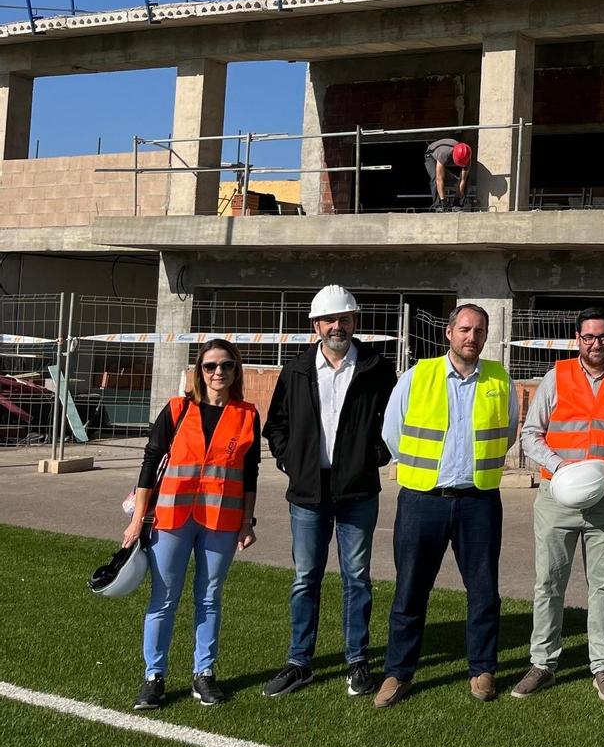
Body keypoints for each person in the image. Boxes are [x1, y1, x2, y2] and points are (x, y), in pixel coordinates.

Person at [374, 303, 517, 707]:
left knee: (484, 592)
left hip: (478, 500)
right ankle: (398, 673)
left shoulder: (500, 380)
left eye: (479, 331)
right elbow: (392, 432)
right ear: (449, 333)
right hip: (423, 499)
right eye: (465, 329)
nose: (472, 337)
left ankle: (482, 669)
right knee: (409, 591)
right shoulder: (417, 376)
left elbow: (507, 433)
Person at [260, 285, 397, 700]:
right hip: (308, 492)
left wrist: (374, 456)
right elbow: (276, 424)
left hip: (358, 490)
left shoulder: (377, 367)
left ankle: (357, 660)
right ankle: (299, 662)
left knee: (357, 578)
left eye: (344, 319)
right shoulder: (297, 369)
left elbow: (394, 420)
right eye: (329, 320)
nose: (337, 326)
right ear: (316, 325)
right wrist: (290, 460)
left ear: (354, 321)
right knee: (306, 578)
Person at [515, 306, 604, 702]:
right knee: (548, 583)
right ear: (577, 339)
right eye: (589, 337)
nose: (596, 344)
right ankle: (543, 664)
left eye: (603, 336)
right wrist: (560, 468)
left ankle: (603, 665)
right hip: (556, 498)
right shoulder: (556, 376)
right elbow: (530, 434)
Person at [123, 339, 259, 711]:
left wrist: (247, 521)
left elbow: (250, 473)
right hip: (171, 519)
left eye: (227, 365)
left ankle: (204, 673)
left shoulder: (248, 414)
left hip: (222, 521)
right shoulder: (177, 408)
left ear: (236, 370)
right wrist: (136, 520)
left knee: (210, 598)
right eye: (210, 366)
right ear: (199, 371)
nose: (219, 372)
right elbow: (150, 462)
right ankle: (154, 677)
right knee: (163, 599)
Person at [425, 137, 472, 211]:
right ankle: (438, 204)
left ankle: (458, 203)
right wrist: (443, 200)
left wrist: (457, 198)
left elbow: (463, 180)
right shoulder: (443, 154)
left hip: (452, 159)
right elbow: (439, 179)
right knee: (435, 177)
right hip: (432, 155)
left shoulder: (467, 159)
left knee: (466, 178)